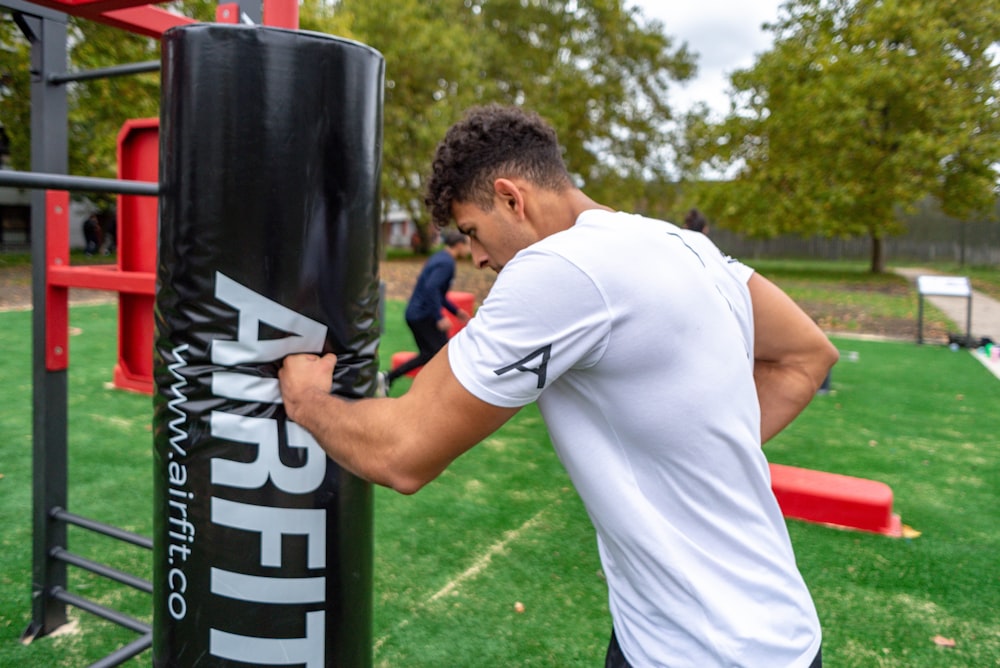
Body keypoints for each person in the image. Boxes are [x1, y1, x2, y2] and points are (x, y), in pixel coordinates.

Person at [279, 104, 838, 667]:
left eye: (472, 231)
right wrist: (687, 465)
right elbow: (806, 358)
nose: (475, 256)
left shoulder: (558, 268)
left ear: (511, 198)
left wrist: (307, 401)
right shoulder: (683, 244)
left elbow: (403, 452)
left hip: (699, 652)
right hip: (777, 632)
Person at [381, 230, 471, 391]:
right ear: (459, 245)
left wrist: (456, 311)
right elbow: (431, 288)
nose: (469, 249)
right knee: (443, 354)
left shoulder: (440, 257)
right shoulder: (446, 263)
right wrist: (438, 317)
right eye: (467, 245)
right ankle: (439, 393)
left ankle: (388, 377)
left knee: (430, 354)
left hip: (417, 314)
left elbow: (437, 292)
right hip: (423, 315)